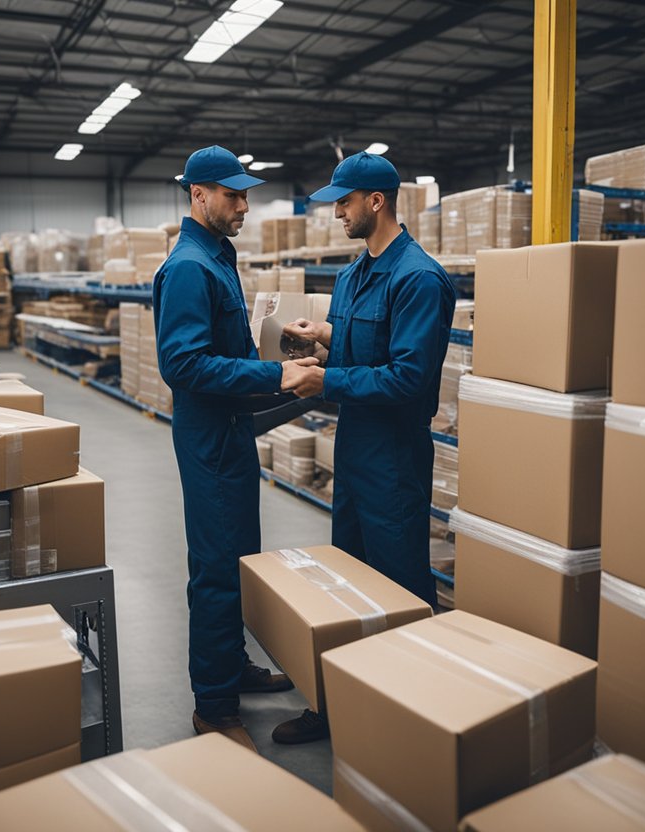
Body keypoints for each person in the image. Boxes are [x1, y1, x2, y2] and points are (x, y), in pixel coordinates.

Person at [275, 152, 455, 744]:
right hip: (354, 450)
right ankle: (337, 706)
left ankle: (409, 715)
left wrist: (326, 380)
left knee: (400, 586)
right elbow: (358, 354)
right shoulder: (354, 275)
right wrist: (322, 341)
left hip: (395, 460)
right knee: (347, 585)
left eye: (343, 202)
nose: (336, 213)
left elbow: (407, 379)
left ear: (376, 202)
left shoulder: (419, 280)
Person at [153, 145, 319, 751]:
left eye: (246, 193)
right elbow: (184, 364)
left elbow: (227, 345)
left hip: (231, 431)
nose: (244, 203)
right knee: (218, 570)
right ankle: (215, 706)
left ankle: (235, 665)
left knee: (241, 557)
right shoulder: (189, 267)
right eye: (232, 194)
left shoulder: (219, 256)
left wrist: (280, 349)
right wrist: (276, 378)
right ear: (198, 194)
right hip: (210, 439)